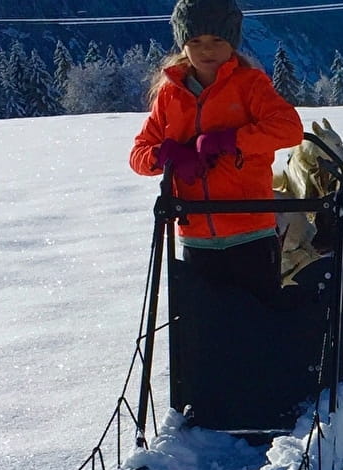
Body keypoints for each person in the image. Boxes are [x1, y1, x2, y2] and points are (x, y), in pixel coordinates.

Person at [129, 0, 302, 303]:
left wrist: (230, 141)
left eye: (216, 40)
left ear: (232, 42)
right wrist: (166, 155)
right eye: (195, 41)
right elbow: (138, 154)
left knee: (256, 324)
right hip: (195, 234)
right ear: (183, 43)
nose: (206, 49)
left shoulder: (250, 84)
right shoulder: (170, 95)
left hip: (251, 230)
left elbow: (289, 128)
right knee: (205, 333)